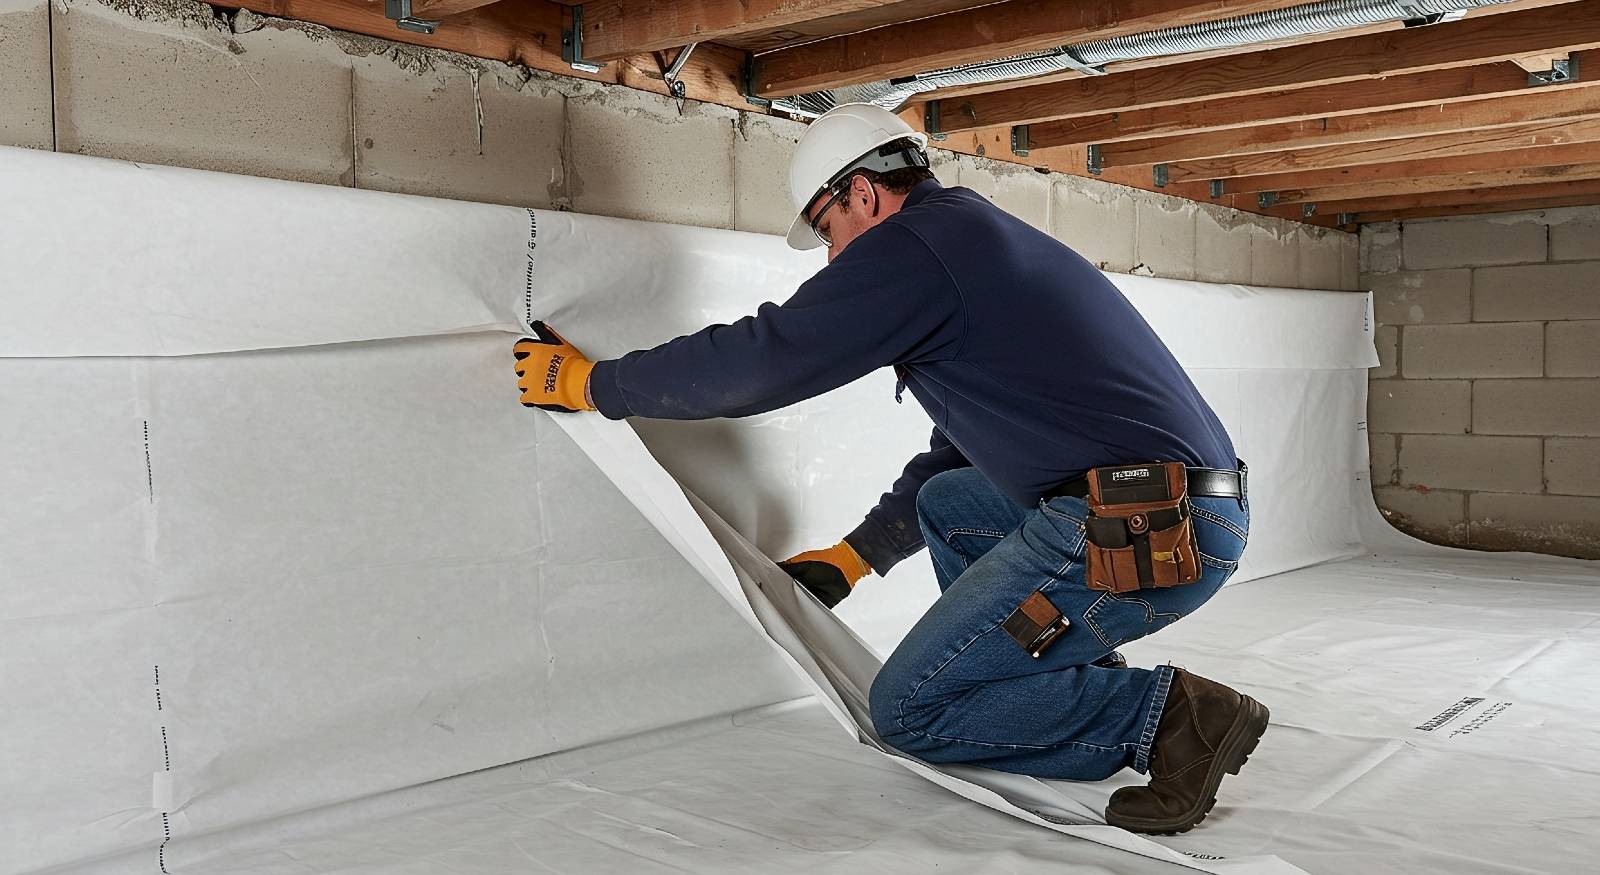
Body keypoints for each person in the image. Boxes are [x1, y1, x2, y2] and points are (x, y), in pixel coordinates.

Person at [512, 103, 1266, 835]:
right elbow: (962, 450)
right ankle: (1074, 684)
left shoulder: (918, 247)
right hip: (1162, 514)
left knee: (910, 711)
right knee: (951, 501)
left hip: (1147, 527)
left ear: (863, 194)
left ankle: (1168, 718)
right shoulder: (964, 241)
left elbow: (765, 360)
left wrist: (593, 385)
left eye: (828, 229)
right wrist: (855, 558)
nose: (836, 255)